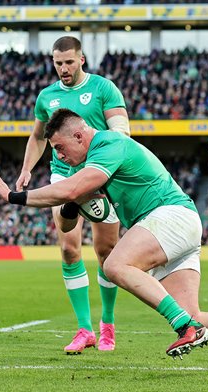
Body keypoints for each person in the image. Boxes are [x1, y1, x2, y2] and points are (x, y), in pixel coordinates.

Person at [0, 109, 208, 375]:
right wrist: (72, 204)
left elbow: (72, 189)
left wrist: (14, 197)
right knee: (195, 316)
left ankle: (183, 327)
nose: (57, 155)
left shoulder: (108, 144)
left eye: (59, 146)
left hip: (169, 217)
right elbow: (67, 220)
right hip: (179, 225)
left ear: (80, 136)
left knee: (115, 265)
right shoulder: (90, 167)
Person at [15, 36, 131, 354]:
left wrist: (105, 162)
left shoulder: (104, 89)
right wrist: (27, 169)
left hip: (99, 176)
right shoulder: (47, 97)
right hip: (62, 175)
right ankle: (85, 329)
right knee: (69, 248)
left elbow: (122, 131)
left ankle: (107, 323)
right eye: (57, 63)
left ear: (81, 59)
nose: (63, 69)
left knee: (107, 252)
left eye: (68, 62)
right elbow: (38, 137)